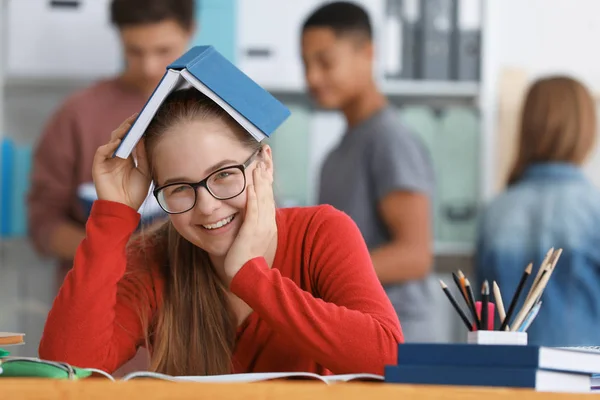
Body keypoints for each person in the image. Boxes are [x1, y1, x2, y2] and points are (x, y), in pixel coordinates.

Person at [38, 88, 403, 376]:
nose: (208, 206)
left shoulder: (321, 232)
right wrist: (113, 215)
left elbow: (387, 358)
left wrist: (251, 277)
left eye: (225, 174)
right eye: (180, 187)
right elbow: (68, 363)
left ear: (264, 163)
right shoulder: (153, 256)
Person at [27, 0, 195, 286]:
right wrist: (114, 251)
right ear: (119, 37)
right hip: (98, 294)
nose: (149, 66)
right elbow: (43, 222)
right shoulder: (77, 115)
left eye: (163, 50)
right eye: (134, 51)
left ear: (191, 31)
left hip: (188, 298)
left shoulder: (213, 110)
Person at [300, 2, 437, 342]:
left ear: (368, 53)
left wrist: (322, 277)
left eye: (325, 62)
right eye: (306, 64)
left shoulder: (389, 139)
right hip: (354, 330)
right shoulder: (336, 154)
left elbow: (415, 255)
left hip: (400, 337)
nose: (312, 78)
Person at [475, 76, 600, 347]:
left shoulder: (496, 211)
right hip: (583, 378)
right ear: (586, 130)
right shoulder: (594, 210)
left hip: (505, 373)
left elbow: (482, 310)